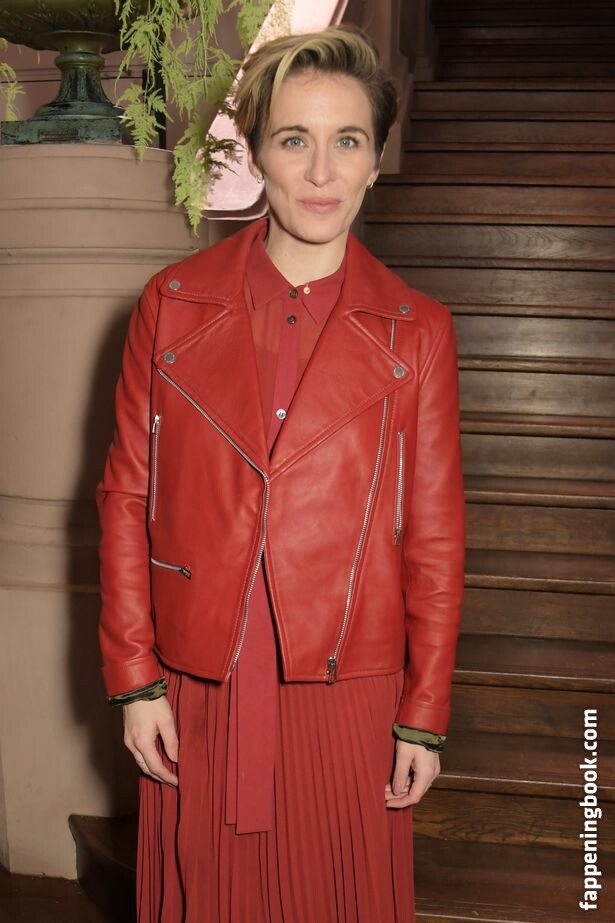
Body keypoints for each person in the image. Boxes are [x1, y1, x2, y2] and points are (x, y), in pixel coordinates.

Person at [96, 25, 465, 923]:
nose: (321, 171)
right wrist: (136, 679)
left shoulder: (419, 329)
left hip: (349, 687)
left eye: (348, 141)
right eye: (294, 139)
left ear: (376, 160)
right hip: (200, 677)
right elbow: (127, 500)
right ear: (257, 151)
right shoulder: (171, 305)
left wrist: (423, 711)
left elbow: (434, 535)